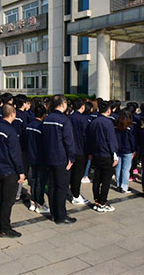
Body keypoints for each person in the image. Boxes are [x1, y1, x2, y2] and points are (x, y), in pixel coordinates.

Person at [0, 104, 25, 237]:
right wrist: (21, 171)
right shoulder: (11, 131)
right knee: (8, 201)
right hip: (9, 171)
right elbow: (15, 154)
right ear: (13, 114)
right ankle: (5, 228)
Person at [42, 96, 77, 224]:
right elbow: (69, 141)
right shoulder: (64, 120)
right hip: (61, 158)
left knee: (52, 186)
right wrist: (71, 158)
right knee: (61, 187)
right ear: (63, 104)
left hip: (49, 157)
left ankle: (53, 213)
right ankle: (61, 216)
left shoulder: (47, 119)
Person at [86, 101, 119, 212]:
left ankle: (96, 200)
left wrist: (90, 152)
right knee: (105, 180)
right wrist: (114, 154)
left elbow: (89, 139)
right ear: (108, 110)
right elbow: (111, 140)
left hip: (96, 154)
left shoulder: (93, 122)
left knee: (97, 178)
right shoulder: (108, 123)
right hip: (106, 154)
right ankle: (103, 202)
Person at [24, 103, 49, 214]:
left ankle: (33, 202)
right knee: (40, 181)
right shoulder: (41, 127)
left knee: (33, 179)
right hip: (40, 157)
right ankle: (39, 202)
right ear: (44, 114)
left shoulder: (28, 126)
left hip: (31, 156)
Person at [68, 99, 90, 205]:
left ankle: (73, 192)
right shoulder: (83, 119)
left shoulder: (69, 118)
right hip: (81, 150)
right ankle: (76, 195)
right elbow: (86, 136)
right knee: (78, 174)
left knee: (71, 173)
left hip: (70, 149)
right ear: (82, 107)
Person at [113, 108, 136, 193]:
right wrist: (134, 150)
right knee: (126, 169)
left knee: (118, 168)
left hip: (118, 148)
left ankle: (119, 184)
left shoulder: (116, 125)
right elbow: (132, 139)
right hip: (127, 149)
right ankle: (124, 186)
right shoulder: (130, 126)